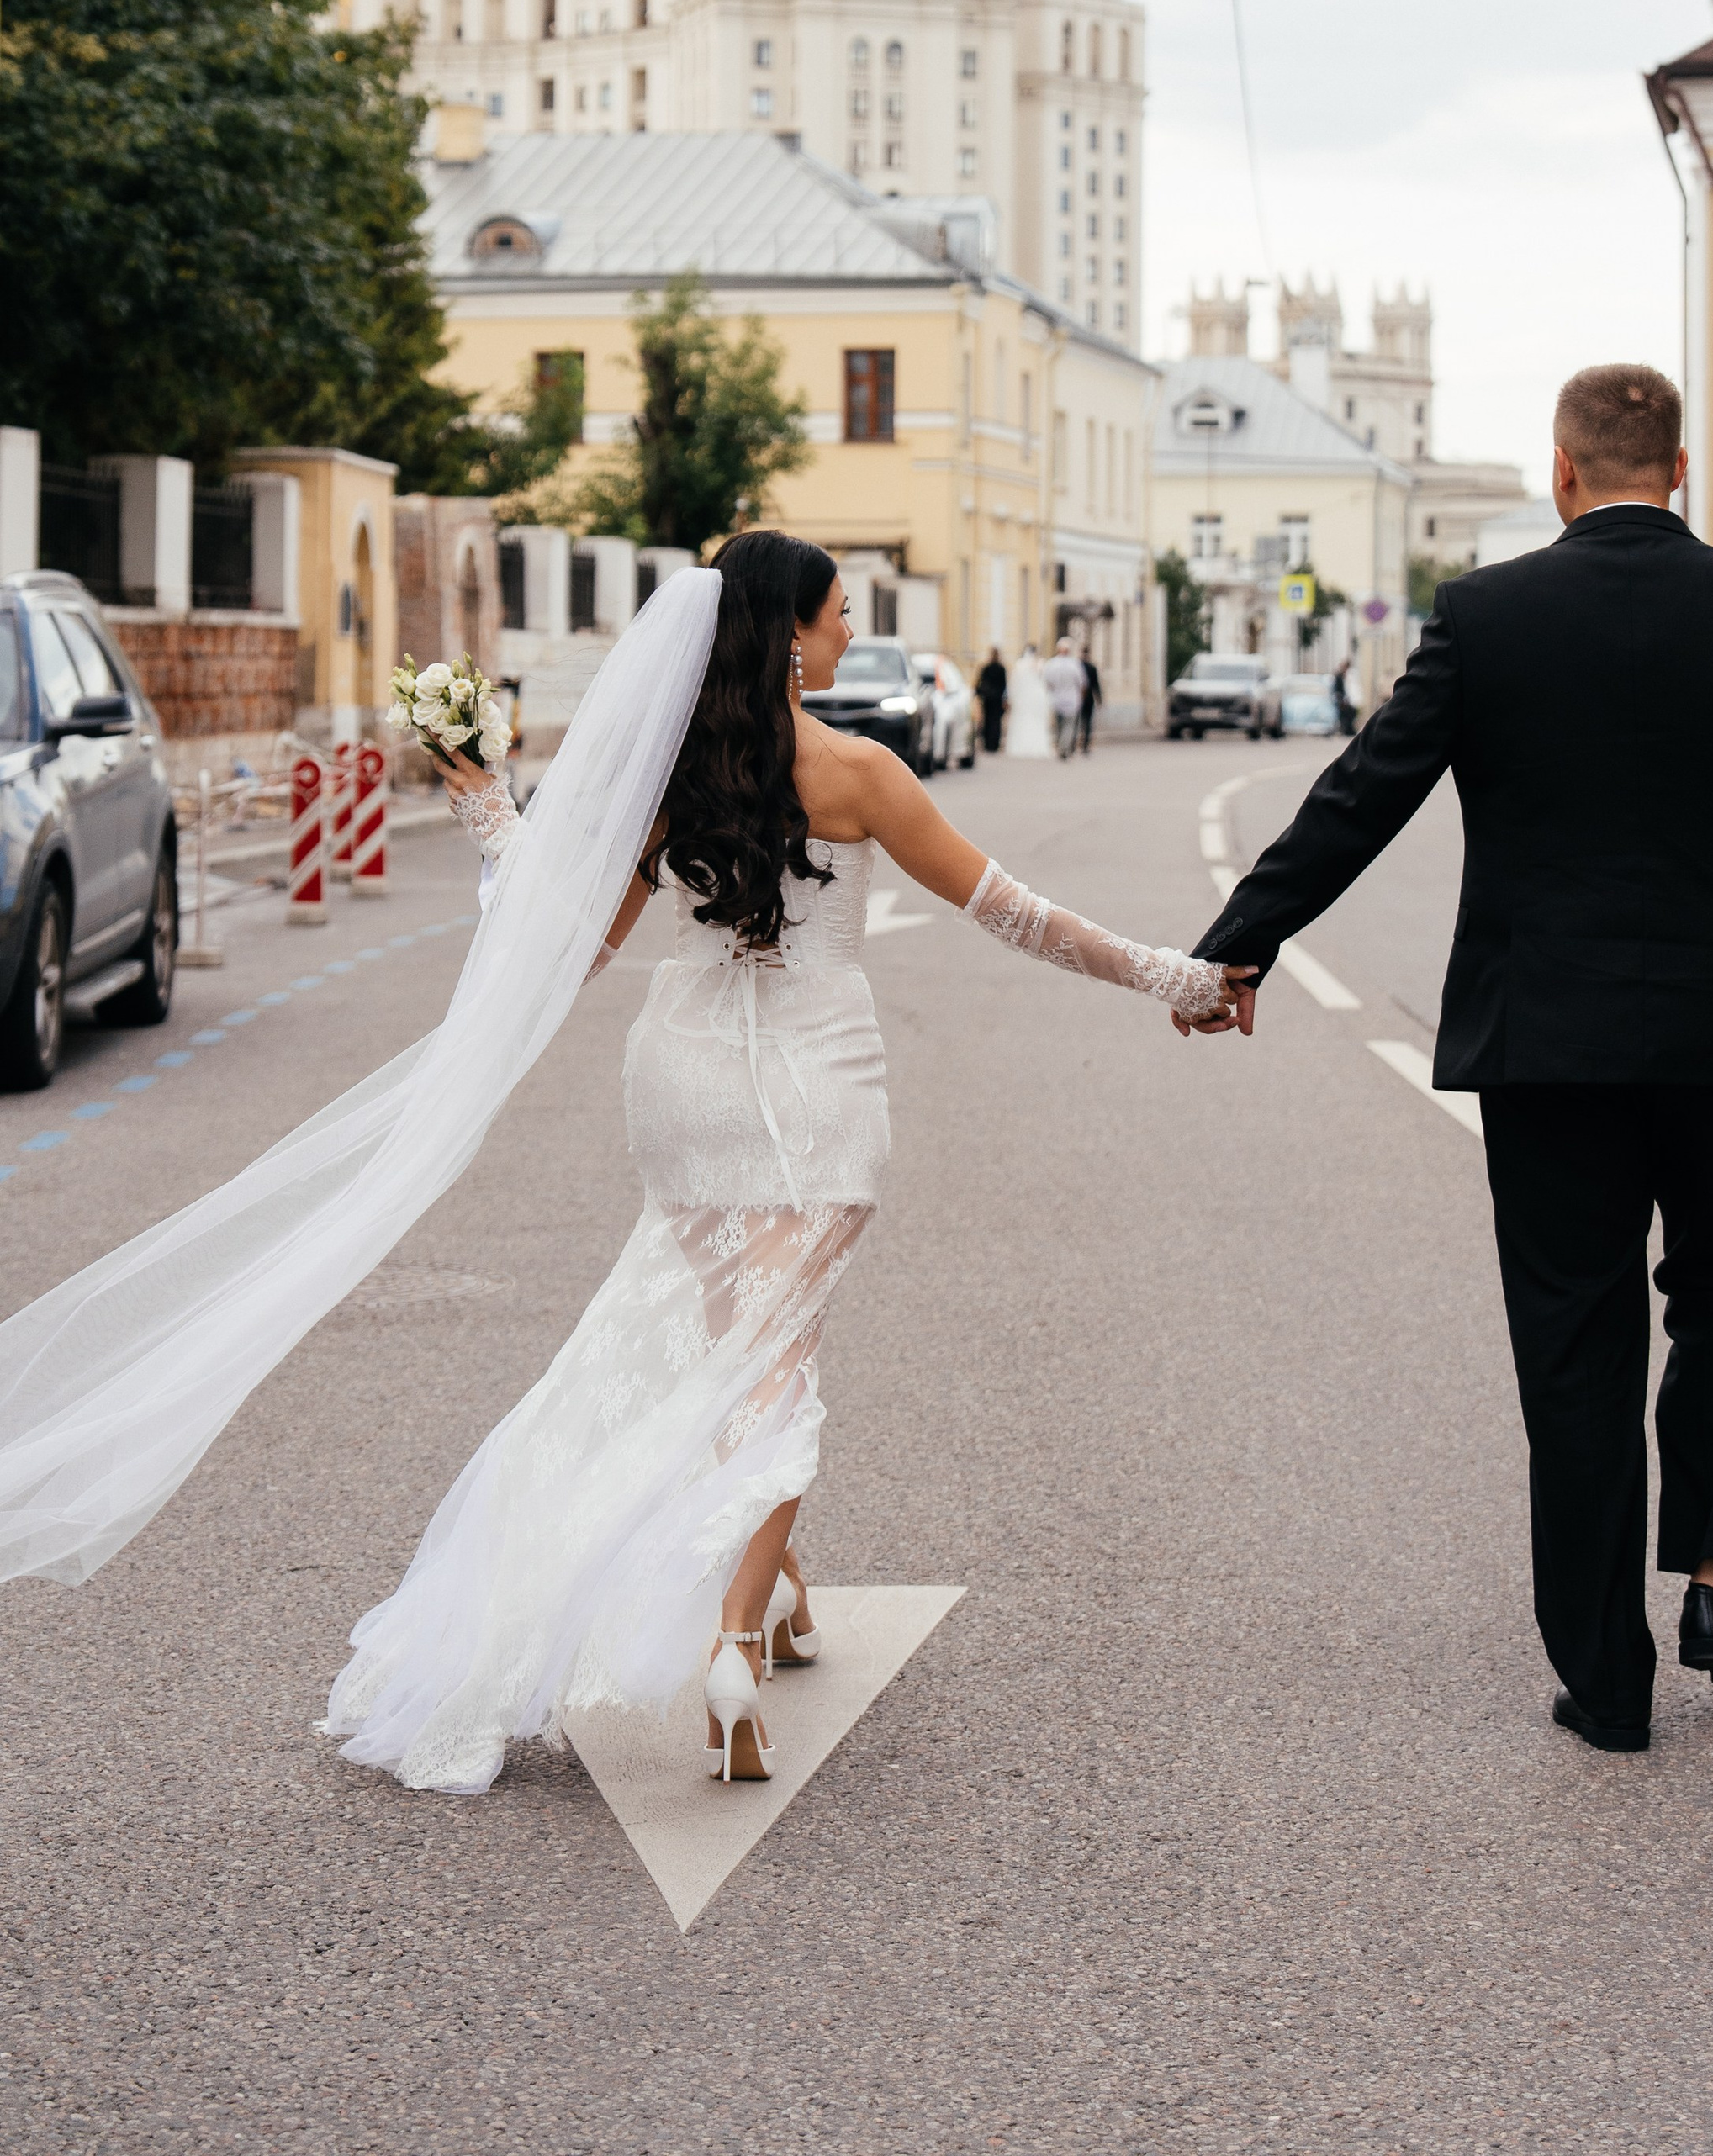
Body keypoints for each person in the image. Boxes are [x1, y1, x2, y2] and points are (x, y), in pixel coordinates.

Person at [0, 536, 1249, 1794]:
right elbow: (1017, 913)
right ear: (788, 634)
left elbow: (571, 944)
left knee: (736, 1348)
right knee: (774, 1362)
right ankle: (731, 1647)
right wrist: (1178, 979)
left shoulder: (672, 778)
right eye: (834, 615)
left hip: (685, 1084)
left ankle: (780, 1593)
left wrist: (490, 810)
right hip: (820, 1091)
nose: (845, 634)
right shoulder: (863, 772)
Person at [1191, 364, 1713, 1756]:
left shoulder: (1487, 616)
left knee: (1577, 1337)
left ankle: (1607, 1678)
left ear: (1562, 471)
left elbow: (1366, 791)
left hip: (1547, 1042)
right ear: (1682, 469)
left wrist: (1241, 943)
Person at [1005, 642, 1054, 759]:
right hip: (1036, 699)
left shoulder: (1020, 665)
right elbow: (1047, 683)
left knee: (1023, 722)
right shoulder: (1041, 664)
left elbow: (1014, 684)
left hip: (1024, 699)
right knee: (1036, 723)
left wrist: (1011, 698)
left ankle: (1022, 745)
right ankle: (1037, 745)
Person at [1044, 638, 1087, 760]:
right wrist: (1081, 696)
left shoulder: (1052, 664)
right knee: (1069, 726)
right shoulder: (1075, 664)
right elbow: (1082, 682)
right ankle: (1064, 747)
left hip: (1057, 699)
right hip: (1071, 699)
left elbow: (1047, 682)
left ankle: (1060, 746)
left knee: (1059, 725)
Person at [975, 647, 1007, 755]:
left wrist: (979, 693)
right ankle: (994, 744)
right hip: (997, 698)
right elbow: (1004, 685)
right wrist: (1004, 698)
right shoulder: (1001, 669)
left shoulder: (986, 668)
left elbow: (980, 682)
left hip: (988, 698)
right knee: (996, 721)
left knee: (987, 720)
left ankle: (987, 743)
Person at [1077, 648, 1102, 754]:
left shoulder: (1079, 667)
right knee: (1087, 723)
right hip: (1087, 699)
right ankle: (1085, 744)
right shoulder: (1090, 667)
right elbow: (1096, 685)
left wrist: (1099, 698)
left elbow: (1096, 684)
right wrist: (1099, 699)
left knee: (1082, 722)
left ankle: (1082, 743)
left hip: (1081, 699)